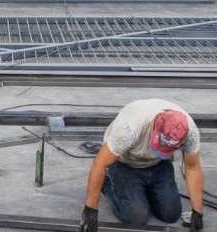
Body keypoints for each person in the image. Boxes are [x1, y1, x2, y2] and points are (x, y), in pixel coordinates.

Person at [79, 99, 206, 232]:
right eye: (161, 145)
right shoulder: (129, 128)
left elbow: (192, 167)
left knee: (171, 215)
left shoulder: (189, 132)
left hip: (159, 164)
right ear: (153, 126)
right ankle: (107, 183)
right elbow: (99, 163)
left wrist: (197, 212)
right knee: (136, 217)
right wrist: (90, 210)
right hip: (126, 164)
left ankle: (141, 192)